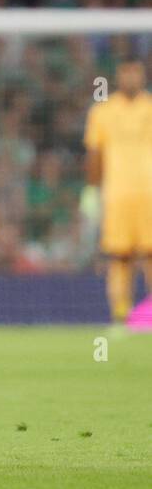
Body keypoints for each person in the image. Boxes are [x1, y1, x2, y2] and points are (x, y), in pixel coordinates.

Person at [82, 60, 152, 324]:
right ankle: (121, 313)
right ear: (118, 75)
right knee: (119, 254)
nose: (131, 77)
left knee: (150, 253)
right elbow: (95, 153)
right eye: (127, 72)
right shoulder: (103, 111)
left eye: (136, 72)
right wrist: (91, 190)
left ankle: (149, 312)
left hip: (150, 192)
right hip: (117, 194)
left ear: (143, 75)